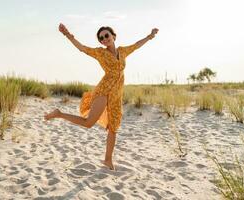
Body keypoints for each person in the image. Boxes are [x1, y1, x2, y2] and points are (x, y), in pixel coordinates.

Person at [44, 23, 159, 170]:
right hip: (104, 91)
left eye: (106, 36)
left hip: (116, 94)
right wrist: (67, 34)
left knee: (113, 128)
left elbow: (136, 45)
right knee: (88, 123)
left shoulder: (123, 51)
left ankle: (107, 160)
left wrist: (150, 36)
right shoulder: (100, 53)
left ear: (113, 36)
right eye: (101, 38)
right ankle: (59, 114)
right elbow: (82, 48)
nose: (104, 39)